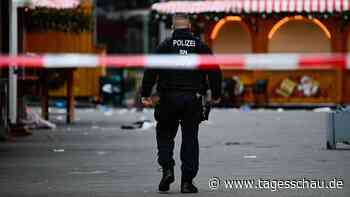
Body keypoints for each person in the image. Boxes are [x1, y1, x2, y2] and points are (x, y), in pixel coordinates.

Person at [141, 14, 222, 193]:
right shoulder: (200, 46)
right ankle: (187, 182)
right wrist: (216, 94)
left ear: (173, 28)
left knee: (164, 135)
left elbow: (150, 69)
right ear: (190, 28)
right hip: (192, 100)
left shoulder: (165, 46)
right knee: (190, 139)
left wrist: (145, 94)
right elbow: (215, 71)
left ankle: (167, 169)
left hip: (168, 99)